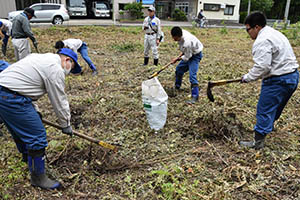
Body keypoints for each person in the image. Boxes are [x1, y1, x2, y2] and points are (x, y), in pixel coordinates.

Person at [0, 48, 81, 189]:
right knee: (37, 135)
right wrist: (66, 124)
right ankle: (38, 178)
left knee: (20, 130)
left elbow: (26, 87)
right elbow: (59, 100)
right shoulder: (55, 68)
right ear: (68, 60)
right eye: (71, 67)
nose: (69, 72)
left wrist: (35, 111)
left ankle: (28, 159)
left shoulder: (40, 58)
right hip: (12, 98)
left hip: (5, 91)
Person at [239, 12, 299, 150]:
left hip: (278, 80)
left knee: (264, 110)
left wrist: (247, 77)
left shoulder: (262, 40)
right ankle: (268, 127)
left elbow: (263, 67)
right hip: (292, 77)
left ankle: (257, 142)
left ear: (257, 27)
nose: (247, 33)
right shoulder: (274, 33)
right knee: (276, 106)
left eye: (248, 29)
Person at [170, 26, 203, 104]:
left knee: (192, 76)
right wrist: (178, 57)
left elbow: (188, 57)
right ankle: (177, 87)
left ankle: (195, 96)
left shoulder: (187, 42)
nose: (173, 39)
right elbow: (185, 51)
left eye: (174, 37)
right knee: (179, 70)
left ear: (178, 36)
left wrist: (178, 59)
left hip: (195, 55)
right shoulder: (181, 33)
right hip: (189, 53)